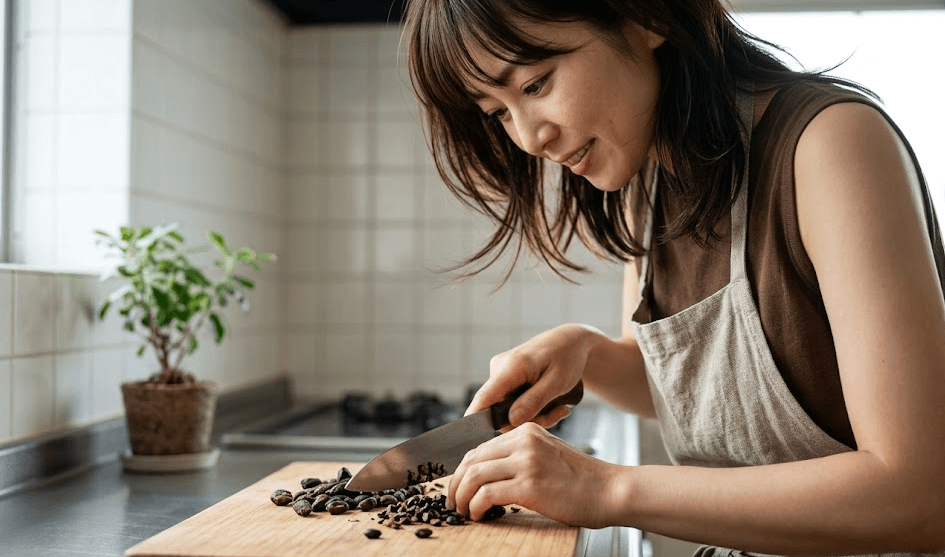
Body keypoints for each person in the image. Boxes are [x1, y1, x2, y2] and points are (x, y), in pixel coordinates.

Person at [401, 0, 945, 555]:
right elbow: (686, 387)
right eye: (496, 112)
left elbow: (921, 497)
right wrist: (584, 351)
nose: (528, 138)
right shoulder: (646, 181)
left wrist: (602, 486)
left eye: (536, 84)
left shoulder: (829, 144)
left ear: (647, 18)